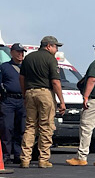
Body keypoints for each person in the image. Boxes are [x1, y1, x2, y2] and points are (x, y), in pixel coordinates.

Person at [19, 36, 66, 168]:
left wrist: (25, 94)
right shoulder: (50, 59)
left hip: (30, 93)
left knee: (30, 126)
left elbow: (21, 78)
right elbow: (55, 81)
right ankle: (43, 158)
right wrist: (61, 101)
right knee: (46, 126)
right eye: (56, 46)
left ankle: (25, 158)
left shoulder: (28, 58)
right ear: (48, 46)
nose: (56, 49)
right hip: (45, 93)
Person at [0, 43, 27, 164]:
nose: (20, 54)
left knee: (21, 128)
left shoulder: (27, 67)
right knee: (7, 128)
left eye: (22, 52)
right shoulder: (4, 67)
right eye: (18, 52)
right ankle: (6, 155)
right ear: (11, 53)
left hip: (23, 100)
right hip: (8, 100)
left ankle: (18, 154)